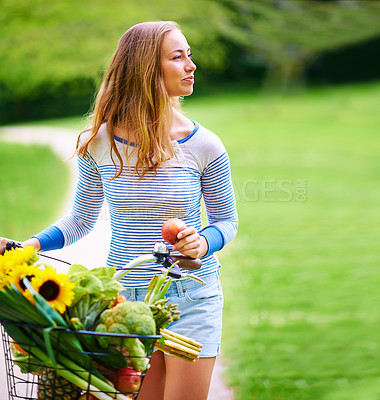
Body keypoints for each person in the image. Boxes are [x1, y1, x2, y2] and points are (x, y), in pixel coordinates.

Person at [0, 21, 238, 400]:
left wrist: (202, 243)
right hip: (124, 303)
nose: (191, 65)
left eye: (189, 55)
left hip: (192, 298)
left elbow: (226, 221)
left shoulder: (204, 145)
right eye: (178, 57)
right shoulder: (100, 143)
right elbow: (81, 220)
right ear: (146, 68)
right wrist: (30, 246)